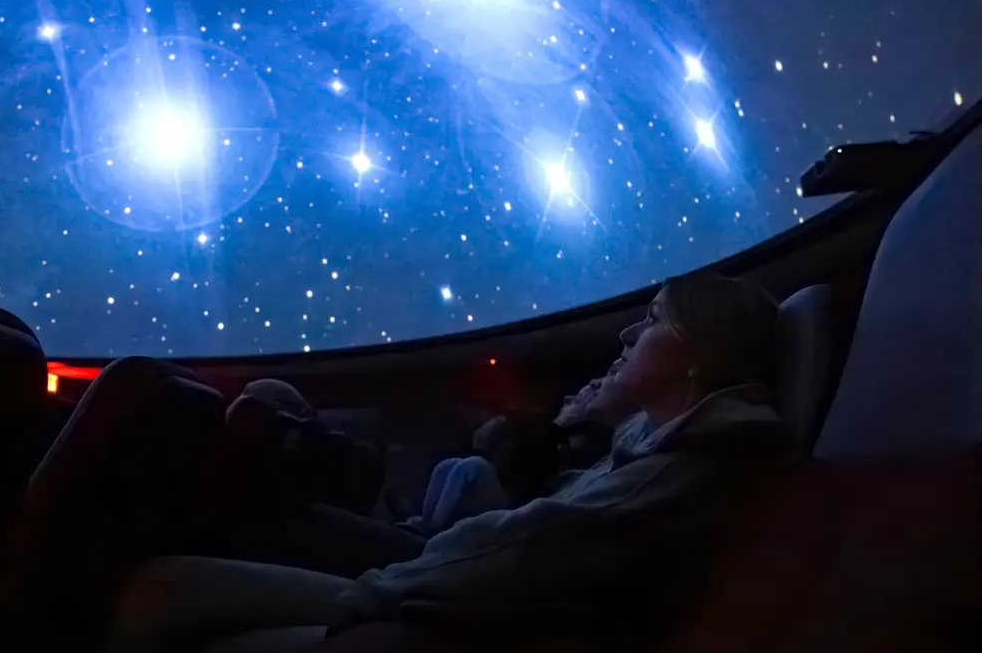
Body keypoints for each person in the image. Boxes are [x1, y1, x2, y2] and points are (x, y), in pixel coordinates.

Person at [110, 272, 795, 651]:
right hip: (457, 596)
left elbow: (525, 545)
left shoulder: (682, 467)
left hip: (464, 617)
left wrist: (369, 593)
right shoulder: (663, 452)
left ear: (700, 349)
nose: (626, 334)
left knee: (162, 590)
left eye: (650, 320)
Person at [406, 363, 638, 536]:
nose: (586, 390)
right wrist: (557, 426)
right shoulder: (553, 430)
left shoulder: (603, 441)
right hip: (516, 505)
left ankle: (428, 540)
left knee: (472, 468)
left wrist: (558, 426)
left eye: (596, 388)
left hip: (528, 523)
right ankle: (425, 526)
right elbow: (511, 467)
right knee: (449, 465)